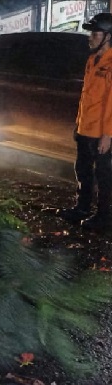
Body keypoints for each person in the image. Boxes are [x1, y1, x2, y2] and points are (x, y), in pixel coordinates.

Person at [58, 12, 112, 231]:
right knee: (83, 170)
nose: (90, 37)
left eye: (95, 33)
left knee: (104, 176)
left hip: (102, 132)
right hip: (86, 129)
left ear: (108, 36)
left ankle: (104, 217)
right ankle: (82, 208)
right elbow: (86, 96)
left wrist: (108, 134)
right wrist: (78, 125)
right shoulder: (92, 59)